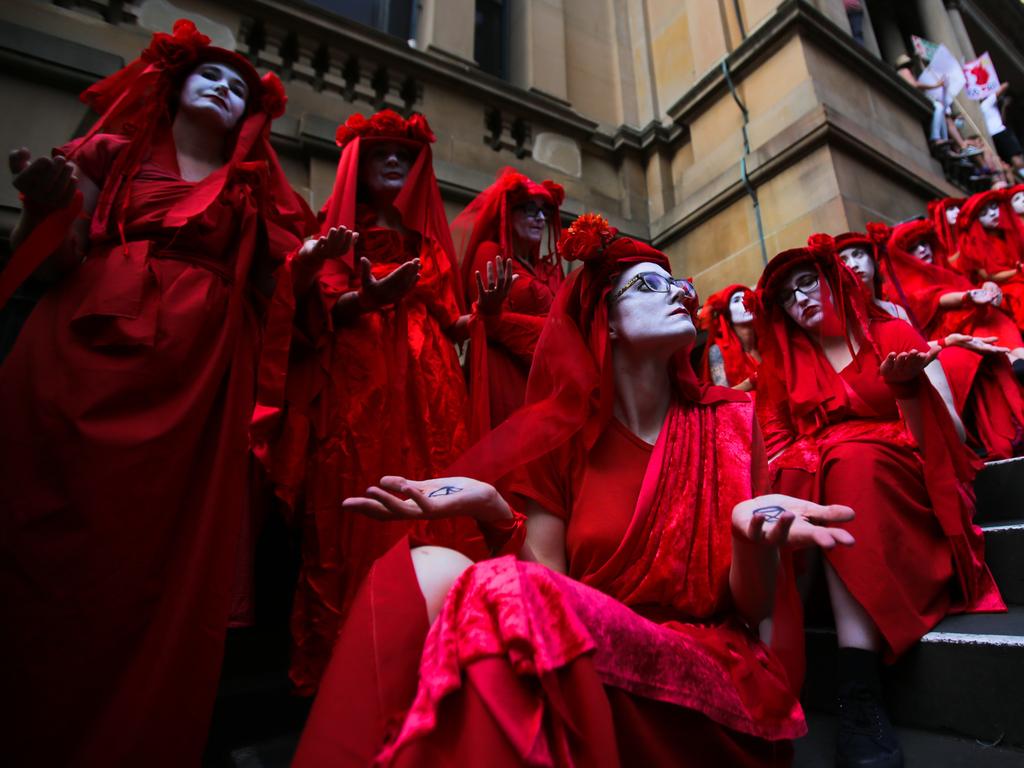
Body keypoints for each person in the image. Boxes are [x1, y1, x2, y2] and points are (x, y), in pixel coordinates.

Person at [292, 214, 858, 767]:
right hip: (590, 653)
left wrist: (749, 539)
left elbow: (752, 608)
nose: (678, 293)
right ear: (605, 323)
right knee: (426, 564)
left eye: (677, 283)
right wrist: (494, 512)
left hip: (702, 670)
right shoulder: (562, 443)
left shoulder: (733, 419)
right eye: (647, 285)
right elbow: (548, 588)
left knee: (489, 588)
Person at [0, 20, 334, 767]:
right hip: (81, 365)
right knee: (50, 550)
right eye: (210, 76)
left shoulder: (252, 194)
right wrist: (43, 209)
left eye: (240, 88)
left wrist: (316, 273)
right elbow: (59, 256)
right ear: (175, 86)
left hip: (194, 392)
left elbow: (290, 305)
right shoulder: (112, 153)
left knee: (155, 572)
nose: (224, 87)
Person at [261, 109, 509, 695]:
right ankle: (353, 663)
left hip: (430, 380)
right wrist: (365, 299)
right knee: (356, 484)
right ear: (359, 166)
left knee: (434, 481)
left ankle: (439, 646)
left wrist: (485, 316)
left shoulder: (429, 241)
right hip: (362, 373)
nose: (394, 161)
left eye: (404, 154)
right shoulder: (339, 230)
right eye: (380, 154)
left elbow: (454, 322)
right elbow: (321, 309)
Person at [752, 235, 1005, 768]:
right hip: (819, 474)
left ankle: (858, 686)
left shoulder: (890, 330)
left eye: (808, 283)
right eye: (787, 298)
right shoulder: (783, 364)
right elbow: (772, 441)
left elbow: (951, 433)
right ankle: (768, 675)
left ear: (835, 280)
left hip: (901, 463)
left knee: (850, 465)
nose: (800, 300)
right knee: (792, 479)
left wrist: (911, 393)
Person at [838, 226, 1024, 459]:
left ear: (874, 262)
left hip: (922, 363)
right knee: (963, 358)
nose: (853, 263)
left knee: (977, 354)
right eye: (844, 259)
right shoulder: (845, 317)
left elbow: (916, 345)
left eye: (858, 255)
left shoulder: (896, 308)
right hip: (891, 385)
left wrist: (950, 340)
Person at [453, 167, 565, 432]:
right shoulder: (490, 252)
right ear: (506, 213)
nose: (539, 218)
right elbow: (488, 320)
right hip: (502, 368)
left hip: (544, 376)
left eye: (544, 212)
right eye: (529, 209)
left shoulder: (548, 269)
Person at [956, 189, 1024, 341]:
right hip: (1001, 287)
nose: (993, 214)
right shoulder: (971, 245)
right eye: (984, 212)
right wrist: (1018, 271)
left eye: (994, 207)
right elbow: (990, 276)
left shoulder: (1008, 234)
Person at [700, 283, 760, 390]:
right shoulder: (717, 351)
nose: (745, 301)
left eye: (746, 296)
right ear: (727, 313)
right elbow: (723, 396)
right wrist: (751, 381)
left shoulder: (766, 342)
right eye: (736, 300)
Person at [927, 196, 965, 262]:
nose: (958, 211)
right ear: (941, 215)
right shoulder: (935, 241)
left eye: (959, 208)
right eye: (951, 209)